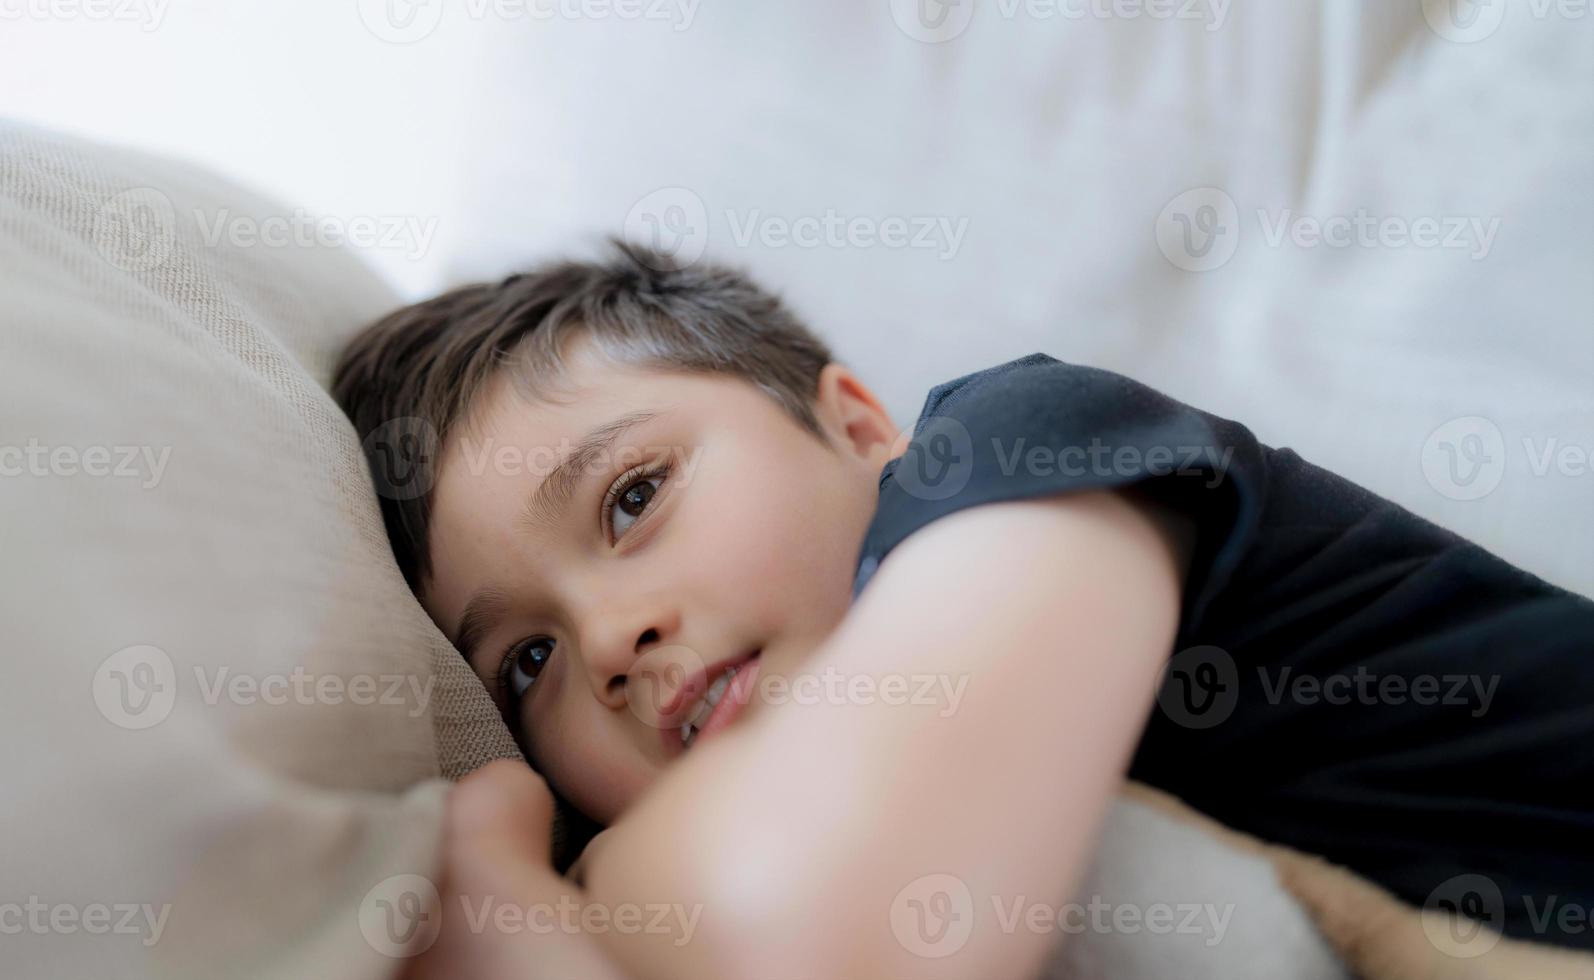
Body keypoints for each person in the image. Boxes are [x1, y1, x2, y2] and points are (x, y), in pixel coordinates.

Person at [332, 241, 1594, 978]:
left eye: (632, 496)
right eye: (527, 657)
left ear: (861, 425)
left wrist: (503, 890)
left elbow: (849, 933)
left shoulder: (1019, 448)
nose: (609, 643)